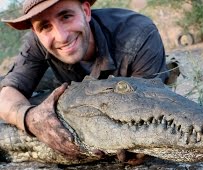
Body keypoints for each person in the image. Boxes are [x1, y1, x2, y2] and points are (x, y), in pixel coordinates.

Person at [0, 0, 169, 161]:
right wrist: (30, 118)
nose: (61, 36)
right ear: (36, 33)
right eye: (45, 26)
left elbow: (150, 105)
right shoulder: (37, 43)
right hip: (65, 85)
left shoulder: (139, 34)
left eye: (66, 16)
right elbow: (6, 95)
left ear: (86, 11)